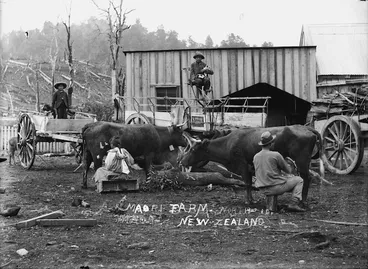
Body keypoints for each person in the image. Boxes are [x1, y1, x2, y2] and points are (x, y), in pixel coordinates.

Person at [253, 131, 306, 212]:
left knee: (285, 179)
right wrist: (291, 164)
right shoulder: (275, 155)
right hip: (274, 188)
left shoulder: (256, 156)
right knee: (299, 180)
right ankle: (294, 203)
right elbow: (288, 170)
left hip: (262, 187)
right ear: (271, 143)